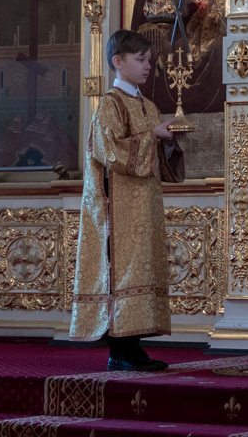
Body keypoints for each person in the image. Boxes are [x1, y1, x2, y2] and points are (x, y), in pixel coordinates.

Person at [70, 29, 185, 371]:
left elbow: (158, 162)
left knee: (141, 269)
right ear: (118, 62)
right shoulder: (111, 103)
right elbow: (109, 151)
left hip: (144, 206)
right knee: (122, 272)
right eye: (140, 59)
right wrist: (152, 136)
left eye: (149, 60)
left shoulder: (148, 106)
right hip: (118, 209)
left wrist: (167, 143)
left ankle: (132, 347)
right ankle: (119, 351)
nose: (148, 66)